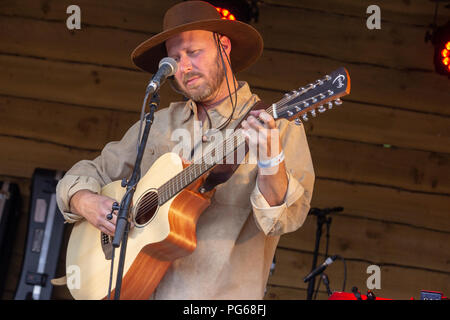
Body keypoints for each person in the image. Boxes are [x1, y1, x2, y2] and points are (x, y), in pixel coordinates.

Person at [56, 1, 315, 299]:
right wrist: (84, 200)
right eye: (175, 58)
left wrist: (271, 162)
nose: (185, 67)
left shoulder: (276, 127)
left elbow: (285, 219)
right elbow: (90, 171)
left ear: (224, 46)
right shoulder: (160, 123)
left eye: (194, 52)